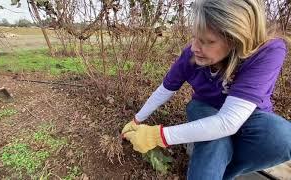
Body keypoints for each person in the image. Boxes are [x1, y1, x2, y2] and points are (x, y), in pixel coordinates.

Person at [121, 0, 291, 179]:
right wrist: (137, 119)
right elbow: (165, 89)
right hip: (204, 106)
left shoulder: (268, 51)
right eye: (194, 37)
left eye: (207, 41)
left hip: (251, 115)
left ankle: (225, 172)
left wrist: (157, 135)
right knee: (215, 142)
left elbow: (228, 122)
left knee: (282, 138)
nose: (194, 47)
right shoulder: (191, 55)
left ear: (235, 39)